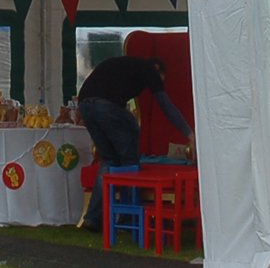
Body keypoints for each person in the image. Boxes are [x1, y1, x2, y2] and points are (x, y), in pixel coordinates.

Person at [75, 54, 193, 232]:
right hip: (106, 105)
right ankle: (128, 217)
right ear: (158, 70)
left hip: (85, 104)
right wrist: (189, 133)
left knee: (108, 161)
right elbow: (166, 105)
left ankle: (93, 218)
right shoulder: (150, 71)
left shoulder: (126, 65)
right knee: (129, 160)